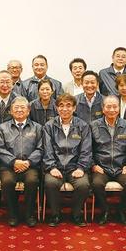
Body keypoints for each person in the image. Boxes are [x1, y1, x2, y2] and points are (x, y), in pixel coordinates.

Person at [43, 93, 92, 227]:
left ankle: (76, 214)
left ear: (74, 108)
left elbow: (86, 150)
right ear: (56, 108)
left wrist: (81, 168)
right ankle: (55, 214)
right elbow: (47, 149)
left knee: (83, 185)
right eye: (61, 106)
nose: (65, 109)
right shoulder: (49, 126)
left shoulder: (83, 126)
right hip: (55, 167)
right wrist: (52, 167)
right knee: (50, 183)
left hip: (75, 167)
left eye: (69, 105)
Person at [0, 96, 43, 227]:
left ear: (28, 111)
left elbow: (41, 148)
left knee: (32, 181)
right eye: (16, 107)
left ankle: (29, 214)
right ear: (11, 111)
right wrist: (14, 162)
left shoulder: (37, 128)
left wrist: (28, 162)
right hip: (8, 166)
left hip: (30, 166)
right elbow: (0, 149)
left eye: (23, 107)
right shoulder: (2, 128)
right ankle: (13, 214)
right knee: (7, 181)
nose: (19, 110)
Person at [90, 95, 126, 225]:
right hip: (101, 167)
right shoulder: (94, 126)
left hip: (121, 167)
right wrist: (93, 165)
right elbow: (88, 150)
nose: (112, 110)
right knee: (96, 184)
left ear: (119, 108)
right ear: (103, 109)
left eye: (115, 107)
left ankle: (121, 210)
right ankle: (104, 210)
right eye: (108, 107)